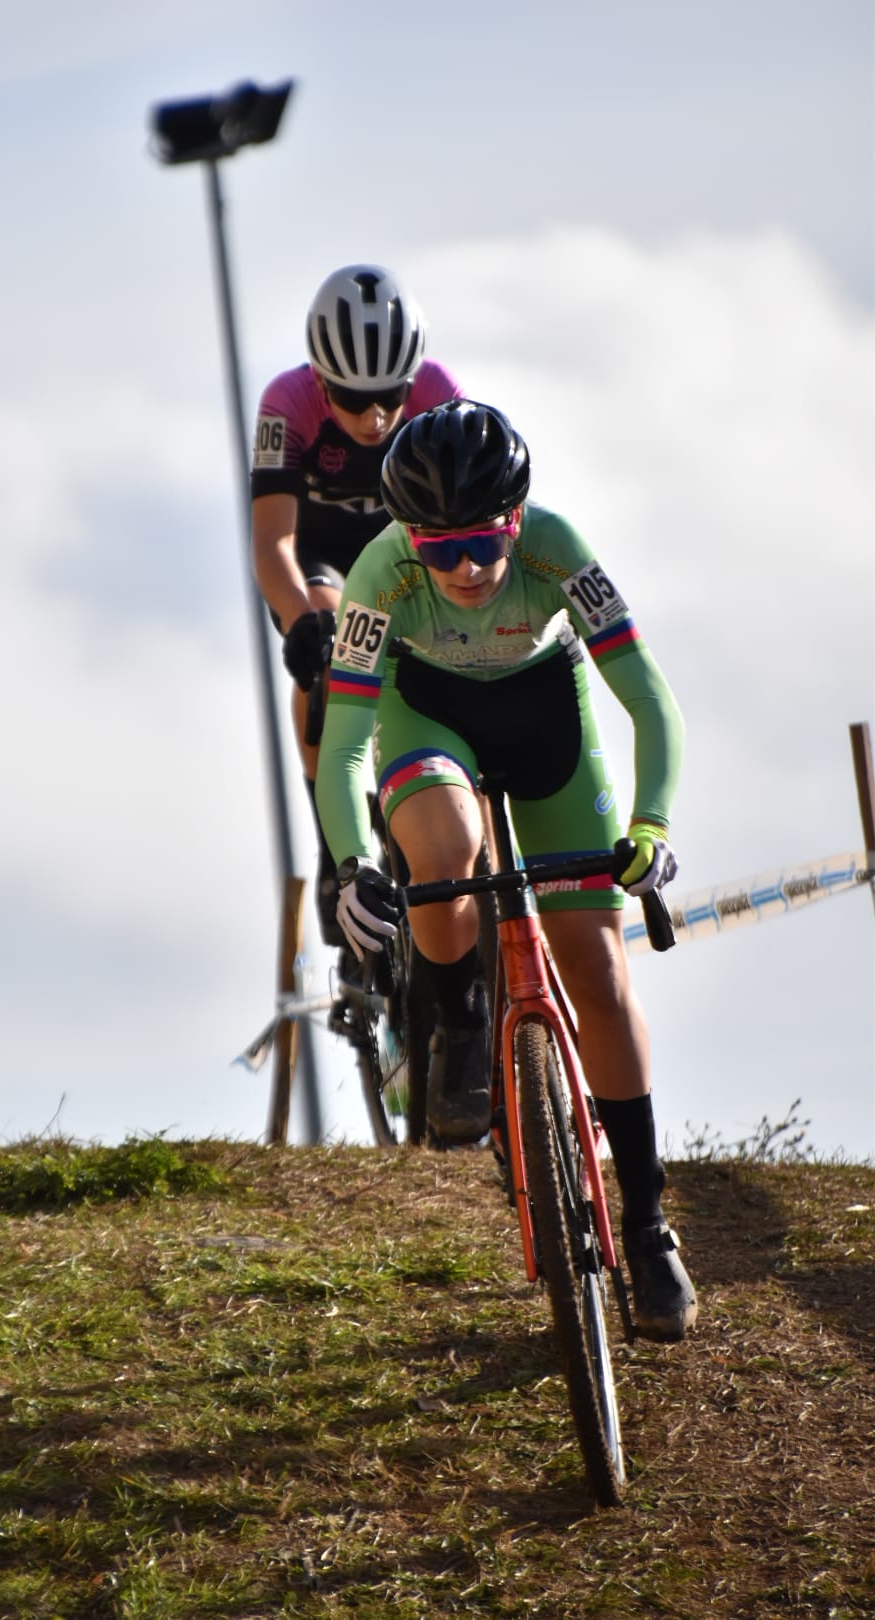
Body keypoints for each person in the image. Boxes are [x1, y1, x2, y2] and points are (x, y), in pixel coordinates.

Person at [314, 398, 697, 1343]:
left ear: (515, 523)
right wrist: (355, 862)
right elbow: (347, 741)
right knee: (443, 854)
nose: (468, 569)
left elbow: (648, 697)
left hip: (545, 711)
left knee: (600, 976)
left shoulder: (557, 547)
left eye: (483, 544)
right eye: (440, 552)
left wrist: (650, 823)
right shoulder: (379, 573)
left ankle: (647, 1229)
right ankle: (460, 1019)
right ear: (410, 539)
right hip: (426, 711)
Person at [250, 264, 462, 946]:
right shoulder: (286, 403)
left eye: (389, 397)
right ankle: (332, 841)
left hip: (407, 554)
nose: (373, 418)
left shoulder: (438, 394)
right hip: (321, 558)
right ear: (320, 379)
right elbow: (272, 542)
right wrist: (302, 625)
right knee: (328, 654)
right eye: (350, 398)